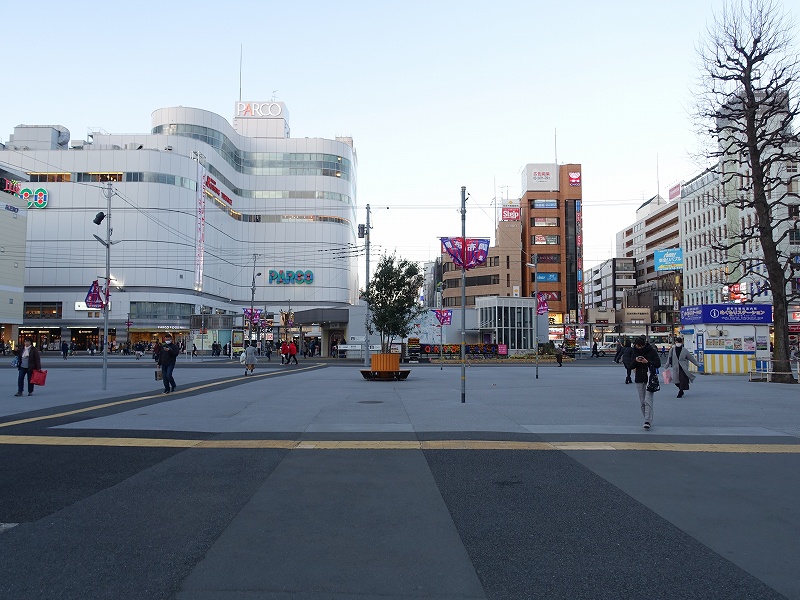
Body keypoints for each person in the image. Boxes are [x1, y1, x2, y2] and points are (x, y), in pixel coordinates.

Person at [623, 335, 661, 430]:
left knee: (648, 400)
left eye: (640, 346)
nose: (638, 347)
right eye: (637, 346)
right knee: (642, 402)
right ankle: (646, 418)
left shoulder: (651, 351)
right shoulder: (634, 351)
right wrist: (636, 361)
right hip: (639, 378)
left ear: (644, 344)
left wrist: (647, 362)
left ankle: (647, 420)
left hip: (650, 378)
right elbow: (630, 366)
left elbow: (658, 364)